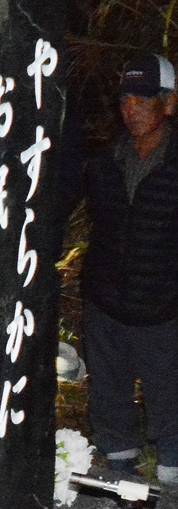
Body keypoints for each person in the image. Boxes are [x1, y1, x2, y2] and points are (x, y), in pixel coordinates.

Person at [81, 53, 178, 486]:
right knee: (109, 405)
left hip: (164, 313)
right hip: (105, 307)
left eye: (144, 98)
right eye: (126, 99)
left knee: (171, 409)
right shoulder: (104, 160)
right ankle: (117, 476)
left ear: (169, 103)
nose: (132, 109)